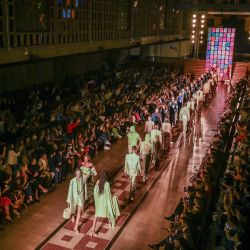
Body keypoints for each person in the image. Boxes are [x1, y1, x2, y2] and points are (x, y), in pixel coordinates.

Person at [91, 171, 120, 236]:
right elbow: (108, 195)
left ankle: (93, 230)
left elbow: (95, 191)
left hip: (99, 203)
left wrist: (96, 202)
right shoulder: (107, 184)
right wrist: (111, 200)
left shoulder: (98, 182)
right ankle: (111, 224)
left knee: (96, 217)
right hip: (104, 203)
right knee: (109, 213)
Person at [66, 168, 87, 233]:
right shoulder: (72, 181)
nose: (78, 174)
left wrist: (85, 196)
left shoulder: (83, 180)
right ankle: (72, 216)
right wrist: (69, 200)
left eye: (79, 173)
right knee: (73, 210)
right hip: (74, 198)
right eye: (77, 173)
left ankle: (76, 226)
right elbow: (70, 191)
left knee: (79, 212)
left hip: (80, 198)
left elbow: (85, 188)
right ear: (75, 173)